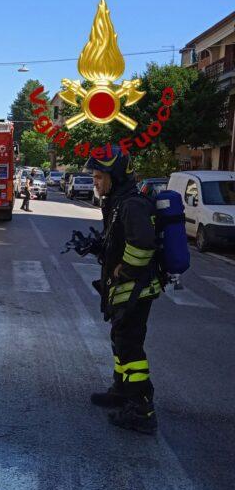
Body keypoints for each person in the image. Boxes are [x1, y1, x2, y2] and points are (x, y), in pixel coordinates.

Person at [86, 147, 161, 434]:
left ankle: (142, 409)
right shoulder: (118, 202)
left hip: (136, 290)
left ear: (115, 177)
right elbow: (120, 239)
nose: (95, 181)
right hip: (126, 290)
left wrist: (125, 270)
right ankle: (121, 389)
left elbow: (142, 245)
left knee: (131, 347)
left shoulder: (131, 205)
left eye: (98, 176)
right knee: (120, 339)